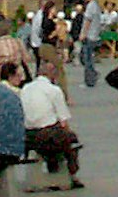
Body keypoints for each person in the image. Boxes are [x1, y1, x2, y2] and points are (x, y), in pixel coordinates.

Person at [9, 50, 83, 184]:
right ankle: (71, 173)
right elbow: (64, 121)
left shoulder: (26, 88)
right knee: (70, 138)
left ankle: (53, 164)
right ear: (53, 75)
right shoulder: (54, 90)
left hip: (28, 136)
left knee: (56, 136)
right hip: (47, 135)